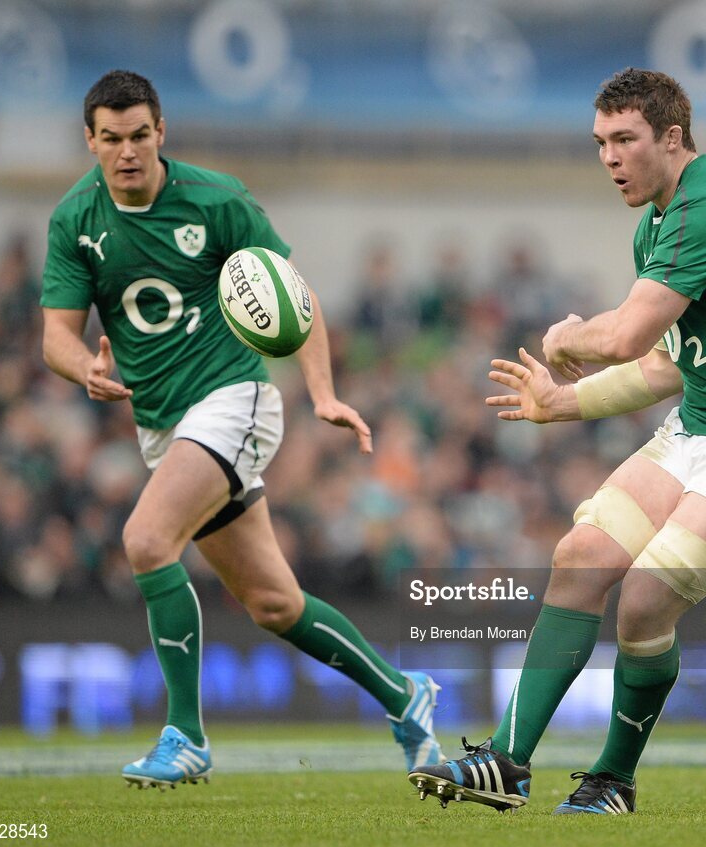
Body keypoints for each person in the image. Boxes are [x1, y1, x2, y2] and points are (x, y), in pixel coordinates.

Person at [409, 67, 706, 815]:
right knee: (581, 556)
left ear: (672, 138)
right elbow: (667, 364)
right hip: (698, 428)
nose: (609, 156)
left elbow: (628, 333)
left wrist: (575, 334)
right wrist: (560, 404)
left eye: (625, 139)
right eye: (600, 141)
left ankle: (614, 779)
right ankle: (507, 763)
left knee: (643, 600)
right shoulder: (656, 225)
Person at [40, 70, 441, 789]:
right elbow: (56, 338)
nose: (127, 151)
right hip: (162, 424)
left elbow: (297, 295)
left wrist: (321, 391)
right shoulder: (75, 219)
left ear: (161, 133)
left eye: (139, 136)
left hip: (233, 400)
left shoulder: (217, 200)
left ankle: (186, 735)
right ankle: (405, 697)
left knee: (145, 540)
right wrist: (83, 370)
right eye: (111, 139)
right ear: (90, 141)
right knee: (273, 604)